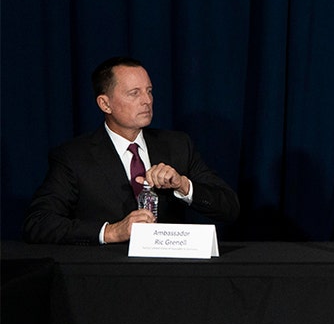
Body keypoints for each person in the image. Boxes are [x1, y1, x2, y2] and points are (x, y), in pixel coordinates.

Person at [23, 56, 240, 244]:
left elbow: (229, 207)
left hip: (172, 275)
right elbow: (38, 222)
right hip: (109, 278)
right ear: (105, 104)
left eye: (149, 91)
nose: (147, 101)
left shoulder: (178, 145)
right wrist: (112, 231)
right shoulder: (73, 157)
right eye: (134, 93)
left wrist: (183, 185)